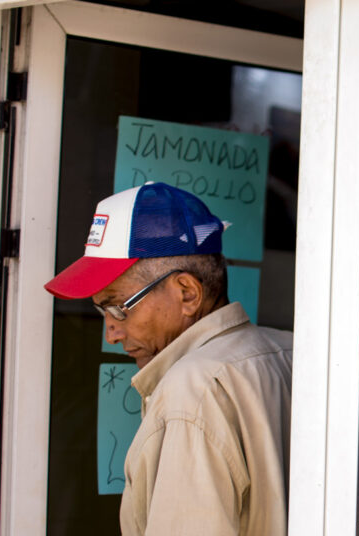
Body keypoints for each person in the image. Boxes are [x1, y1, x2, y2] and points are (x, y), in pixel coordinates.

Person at [44, 182, 292, 536]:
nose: (110, 334)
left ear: (187, 293)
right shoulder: (291, 351)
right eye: (101, 311)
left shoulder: (191, 394)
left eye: (118, 307)